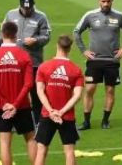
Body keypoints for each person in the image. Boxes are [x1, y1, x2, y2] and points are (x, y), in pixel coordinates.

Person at [0, 0, 52, 123]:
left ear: (33, 4)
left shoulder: (41, 17)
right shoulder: (11, 14)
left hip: (33, 62)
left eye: (29, 8)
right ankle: (12, 120)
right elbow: (2, 33)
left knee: (36, 93)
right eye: (24, 7)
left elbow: (47, 36)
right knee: (15, 93)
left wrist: (36, 40)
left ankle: (38, 122)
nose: (26, 10)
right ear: (20, 4)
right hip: (14, 63)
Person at [73, 0, 122, 130]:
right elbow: (76, 32)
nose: (106, 4)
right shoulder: (90, 15)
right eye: (103, 1)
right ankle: (87, 121)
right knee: (89, 90)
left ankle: (105, 120)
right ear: (99, 0)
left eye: (108, 1)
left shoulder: (119, 16)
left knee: (110, 91)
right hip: (94, 61)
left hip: (112, 62)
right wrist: (84, 50)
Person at [0, 21, 37, 165]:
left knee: (5, 142)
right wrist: (15, 104)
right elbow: (28, 84)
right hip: (23, 106)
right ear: (16, 35)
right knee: (31, 139)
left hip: (1, 107)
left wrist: (4, 103)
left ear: (2, 34)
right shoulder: (25, 55)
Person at [34, 35, 84, 165]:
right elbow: (77, 95)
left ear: (57, 46)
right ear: (70, 48)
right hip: (67, 116)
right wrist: (61, 112)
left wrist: (51, 110)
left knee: (41, 150)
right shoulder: (76, 70)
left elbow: (39, 90)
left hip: (47, 114)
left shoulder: (44, 67)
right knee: (69, 151)